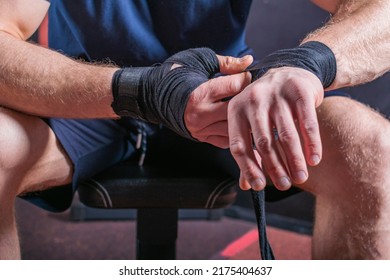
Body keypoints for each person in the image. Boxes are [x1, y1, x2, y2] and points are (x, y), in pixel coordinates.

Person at [0, 0, 389, 260]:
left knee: (369, 146)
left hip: (225, 104)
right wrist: (141, 90)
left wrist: (306, 61)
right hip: (92, 104)